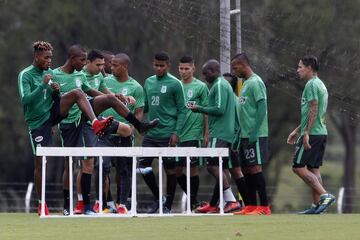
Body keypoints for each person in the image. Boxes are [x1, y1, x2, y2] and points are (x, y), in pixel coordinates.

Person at [53, 45, 157, 215]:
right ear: (83, 62)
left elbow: (92, 91)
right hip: (69, 122)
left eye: (104, 65)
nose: (104, 69)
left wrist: (116, 97)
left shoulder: (89, 76)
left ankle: (138, 127)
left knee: (121, 130)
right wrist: (50, 123)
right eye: (99, 65)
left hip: (88, 118)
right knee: (71, 164)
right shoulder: (59, 74)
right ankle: (72, 204)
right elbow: (52, 100)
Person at [17, 41, 114, 215]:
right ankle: (42, 204)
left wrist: (55, 91)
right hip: (38, 123)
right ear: (37, 56)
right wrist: (42, 85)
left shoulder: (49, 73)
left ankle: (95, 122)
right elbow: (26, 101)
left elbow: (54, 97)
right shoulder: (26, 75)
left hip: (52, 115)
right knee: (41, 163)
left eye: (51, 58)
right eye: (46, 58)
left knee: (77, 93)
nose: (49, 61)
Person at [139, 52, 187, 213]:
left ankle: (167, 206)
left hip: (168, 133)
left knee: (170, 169)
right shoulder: (148, 82)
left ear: (168, 66)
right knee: (142, 165)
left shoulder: (175, 84)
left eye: (162, 66)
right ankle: (159, 198)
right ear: (153, 64)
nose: (159, 68)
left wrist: (176, 133)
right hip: (151, 134)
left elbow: (182, 110)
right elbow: (144, 106)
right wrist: (131, 107)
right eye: (156, 65)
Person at [97, 53, 146, 214]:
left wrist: (132, 127)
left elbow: (139, 112)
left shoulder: (136, 87)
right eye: (111, 64)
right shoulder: (105, 82)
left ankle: (122, 204)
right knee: (102, 167)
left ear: (125, 66)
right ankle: (103, 203)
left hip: (124, 134)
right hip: (105, 132)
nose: (112, 68)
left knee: (124, 170)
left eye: (115, 65)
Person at [190, 60, 240, 214]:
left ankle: (230, 200)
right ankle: (220, 203)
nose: (204, 77)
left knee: (212, 166)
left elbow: (219, 109)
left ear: (214, 71)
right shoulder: (223, 85)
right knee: (222, 167)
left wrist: (199, 108)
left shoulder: (219, 85)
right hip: (225, 132)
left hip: (220, 132)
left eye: (206, 73)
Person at [287, 55, 335, 214]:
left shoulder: (311, 84)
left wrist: (306, 133)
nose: (298, 70)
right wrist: (297, 130)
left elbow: (313, 108)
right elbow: (313, 112)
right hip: (321, 132)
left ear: (309, 68)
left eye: (300, 67)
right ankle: (316, 207)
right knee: (313, 169)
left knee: (298, 167)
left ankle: (325, 195)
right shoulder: (320, 84)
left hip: (313, 133)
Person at [231, 53, 271, 215]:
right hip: (244, 136)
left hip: (256, 134)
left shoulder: (256, 82)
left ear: (243, 65)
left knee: (255, 168)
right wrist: (238, 135)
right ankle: (251, 205)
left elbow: (262, 108)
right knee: (246, 169)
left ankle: (264, 207)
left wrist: (254, 131)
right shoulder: (245, 84)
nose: (234, 71)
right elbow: (244, 113)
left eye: (235, 68)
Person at [176, 56, 209, 210]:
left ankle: (192, 203)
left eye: (186, 68)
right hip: (177, 133)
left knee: (192, 169)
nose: (183, 72)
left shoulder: (201, 87)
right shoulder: (176, 85)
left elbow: (207, 112)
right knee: (175, 170)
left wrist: (206, 133)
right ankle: (194, 199)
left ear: (193, 69)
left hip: (194, 134)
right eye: (181, 68)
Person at [222, 73, 250, 209]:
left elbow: (240, 123)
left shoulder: (234, 100)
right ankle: (234, 202)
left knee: (232, 171)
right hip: (229, 140)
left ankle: (245, 203)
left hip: (232, 141)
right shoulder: (228, 99)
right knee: (227, 170)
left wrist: (236, 141)